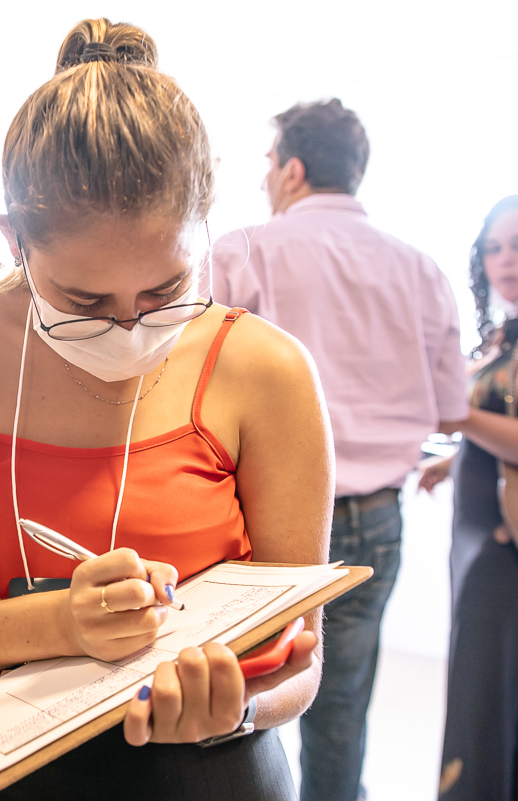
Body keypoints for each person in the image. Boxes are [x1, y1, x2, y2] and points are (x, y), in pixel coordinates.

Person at [0, 18, 332, 799]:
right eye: (84, 301)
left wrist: (239, 707)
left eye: (163, 292)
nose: (128, 329)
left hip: (211, 770)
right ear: (13, 239)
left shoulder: (267, 370)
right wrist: (61, 623)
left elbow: (303, 655)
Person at [210, 99, 468, 801]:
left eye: (268, 165)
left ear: (292, 170)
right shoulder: (421, 268)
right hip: (377, 519)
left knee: (234, 704)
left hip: (259, 518)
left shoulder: (243, 249)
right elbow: (452, 407)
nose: (267, 179)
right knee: (340, 708)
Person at [419, 195, 518, 800]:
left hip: (506, 553)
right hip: (481, 536)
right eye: (495, 248)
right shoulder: (505, 333)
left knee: (493, 690)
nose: (505, 259)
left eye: (517, 246)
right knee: (481, 686)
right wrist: (457, 459)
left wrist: (459, 420)